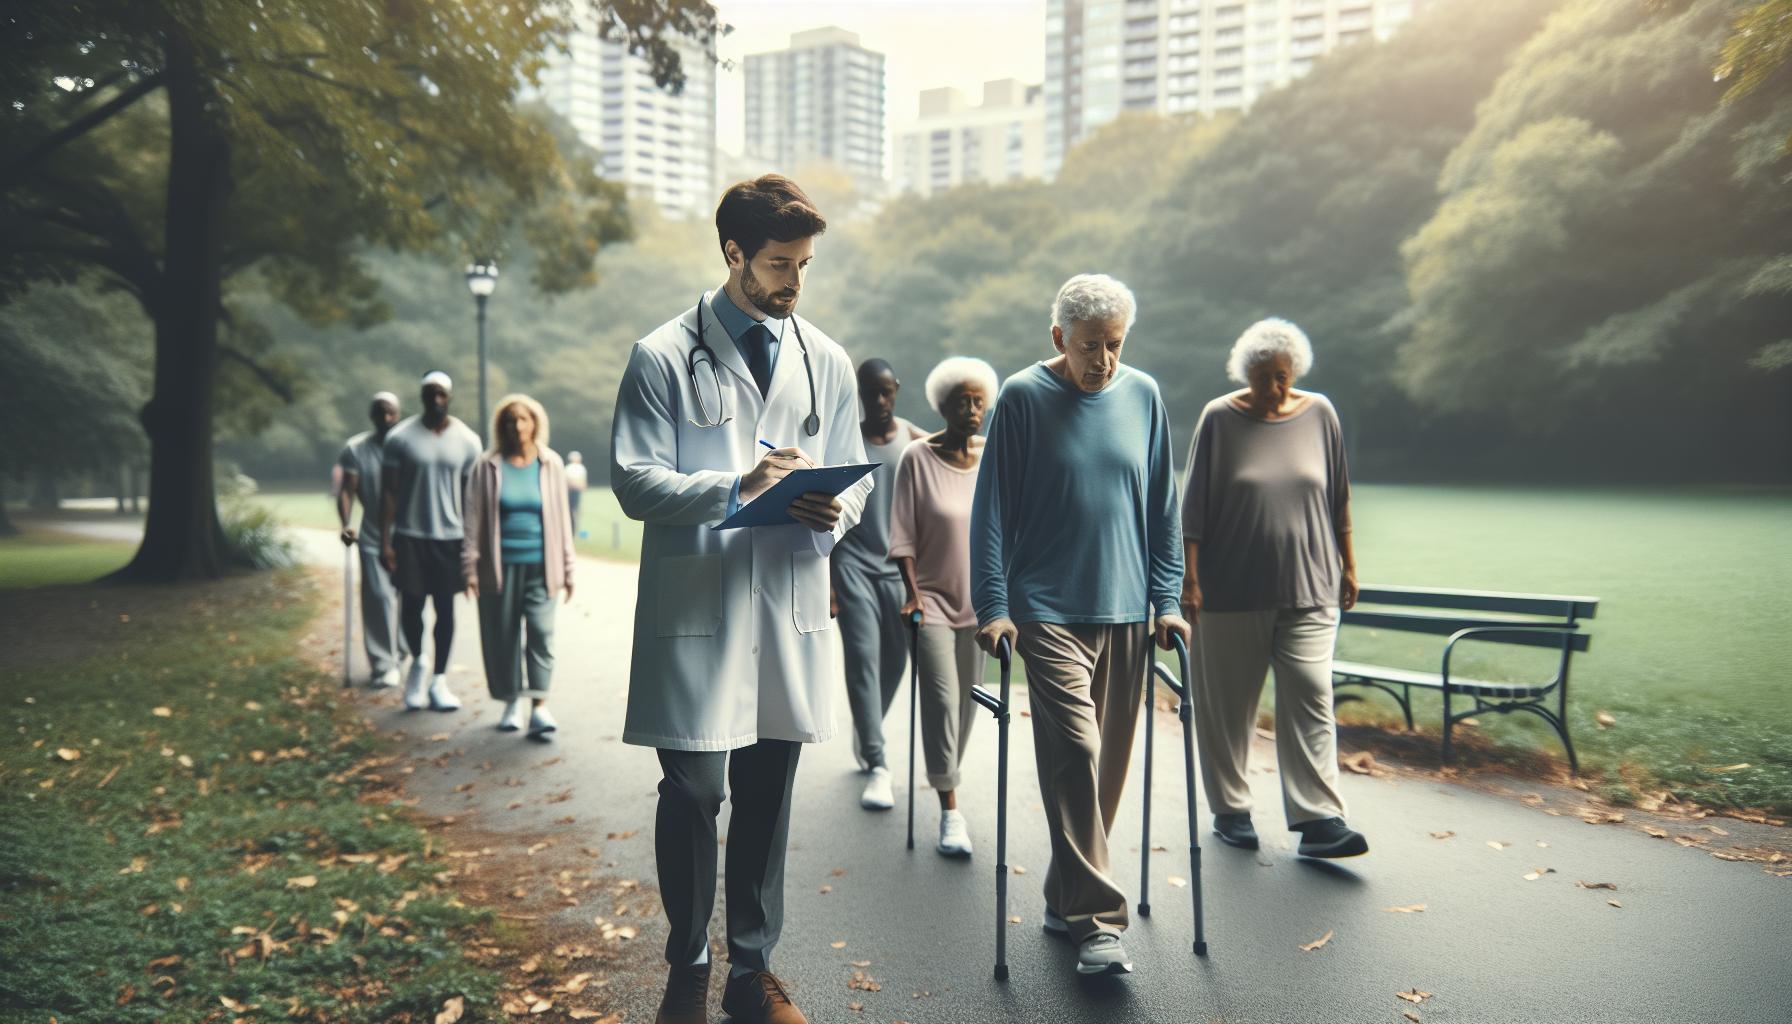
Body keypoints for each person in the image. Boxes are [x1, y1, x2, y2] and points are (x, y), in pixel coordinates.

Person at [610, 175, 869, 1024]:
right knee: (693, 792)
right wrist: (736, 487)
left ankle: (752, 974)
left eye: (803, 265)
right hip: (702, 604)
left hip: (787, 598)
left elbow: (854, 476)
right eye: (779, 264)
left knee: (767, 792)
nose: (794, 282)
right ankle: (689, 958)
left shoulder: (822, 357)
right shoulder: (661, 355)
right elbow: (635, 481)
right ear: (733, 255)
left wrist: (837, 506)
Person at [970, 273, 1189, 978]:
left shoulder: (1144, 395)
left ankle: (1066, 896)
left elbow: (1162, 508)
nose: (1104, 361)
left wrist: (1168, 598)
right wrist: (995, 605)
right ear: (1058, 337)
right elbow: (993, 512)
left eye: (1115, 345)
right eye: (1090, 345)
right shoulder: (1023, 397)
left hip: (1127, 608)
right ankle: (1098, 923)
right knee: (1077, 753)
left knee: (1107, 774)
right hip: (1046, 608)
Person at [1181, 318, 1367, 859]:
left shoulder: (1320, 414)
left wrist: (1349, 566)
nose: (1274, 388)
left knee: (1312, 690)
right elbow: (1194, 511)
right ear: (1246, 375)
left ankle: (1318, 818)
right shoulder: (1219, 418)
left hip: (1311, 586)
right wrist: (1190, 581)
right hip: (1229, 590)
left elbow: (1339, 497)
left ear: (1295, 372)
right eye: (1263, 378)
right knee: (1228, 706)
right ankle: (1231, 808)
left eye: (1282, 376)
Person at [887, 356, 998, 857]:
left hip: (980, 604)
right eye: (962, 401)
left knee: (967, 705)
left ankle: (946, 777)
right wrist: (911, 593)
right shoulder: (917, 457)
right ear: (943, 405)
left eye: (979, 401)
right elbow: (904, 536)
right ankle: (950, 810)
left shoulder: (993, 457)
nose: (973, 410)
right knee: (939, 699)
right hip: (928, 601)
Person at [832, 359, 928, 811]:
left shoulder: (914, 439)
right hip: (852, 565)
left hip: (898, 569)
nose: (880, 401)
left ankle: (865, 725)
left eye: (887, 392)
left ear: (897, 390)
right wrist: (829, 582)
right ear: (860, 393)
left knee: (895, 663)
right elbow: (825, 508)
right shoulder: (844, 438)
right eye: (871, 392)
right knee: (862, 660)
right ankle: (877, 762)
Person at [462, 394, 576, 741]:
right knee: (503, 635)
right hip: (499, 568)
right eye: (510, 420)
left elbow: (562, 519)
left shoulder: (551, 464)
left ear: (535, 423)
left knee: (541, 634)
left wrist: (569, 569)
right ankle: (511, 701)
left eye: (523, 419)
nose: (517, 426)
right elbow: (472, 518)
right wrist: (469, 568)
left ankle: (539, 706)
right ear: (502, 426)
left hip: (542, 567)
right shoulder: (487, 465)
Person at [379, 370, 482, 713]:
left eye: (441, 394)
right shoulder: (400, 438)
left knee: (445, 609)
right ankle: (418, 664)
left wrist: (471, 547)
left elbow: (472, 500)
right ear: (421, 396)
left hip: (449, 538)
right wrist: (385, 540)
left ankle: (439, 679)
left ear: (449, 397)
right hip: (410, 535)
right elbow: (389, 494)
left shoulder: (468, 440)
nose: (435, 400)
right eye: (429, 394)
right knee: (411, 606)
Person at [336, 391, 408, 687]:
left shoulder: (408, 445)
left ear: (399, 414)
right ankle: (383, 663)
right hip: (372, 534)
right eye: (380, 413)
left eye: (391, 412)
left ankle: (402, 651)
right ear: (372, 416)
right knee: (379, 598)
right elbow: (347, 490)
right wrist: (346, 523)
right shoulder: (356, 449)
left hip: (408, 532)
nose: (386, 419)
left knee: (408, 598)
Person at [565, 450, 589, 539]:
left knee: (572, 513)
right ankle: (573, 532)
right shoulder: (579, 468)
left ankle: (573, 532)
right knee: (574, 513)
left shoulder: (568, 468)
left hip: (573, 493)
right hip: (572, 493)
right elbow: (583, 484)